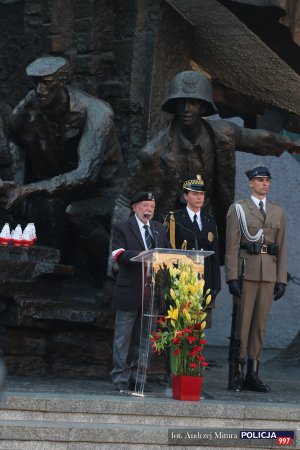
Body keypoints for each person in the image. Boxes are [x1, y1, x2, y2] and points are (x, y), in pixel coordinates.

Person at [112, 70, 298, 263]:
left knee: (208, 284)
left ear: (203, 107)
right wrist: (115, 258)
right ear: (173, 105)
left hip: (208, 225)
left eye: (193, 102)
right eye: (181, 102)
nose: (186, 108)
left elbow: (260, 140)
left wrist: (291, 145)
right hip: (172, 231)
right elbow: (124, 199)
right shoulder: (153, 153)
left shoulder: (223, 135)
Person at [1, 56, 122, 278]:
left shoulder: (97, 112)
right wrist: (17, 185)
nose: (39, 89)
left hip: (103, 192)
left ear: (63, 80)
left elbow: (86, 173)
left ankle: (117, 272)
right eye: (35, 83)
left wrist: (26, 190)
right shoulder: (32, 104)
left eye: (46, 83)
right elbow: (15, 137)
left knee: (75, 213)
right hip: (61, 189)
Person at [225, 164, 287, 392]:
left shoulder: (277, 211)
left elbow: (282, 248)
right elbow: (231, 246)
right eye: (260, 180)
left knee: (259, 326)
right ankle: (238, 371)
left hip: (268, 274)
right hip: (246, 272)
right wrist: (231, 277)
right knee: (242, 324)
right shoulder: (239, 209)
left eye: (267, 180)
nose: (264, 184)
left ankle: (254, 373)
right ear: (251, 183)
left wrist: (281, 279)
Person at [111, 191, 169, 392]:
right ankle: (120, 378)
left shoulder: (159, 229)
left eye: (152, 207)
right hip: (130, 291)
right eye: (145, 205)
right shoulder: (122, 227)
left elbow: (167, 255)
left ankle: (139, 378)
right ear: (135, 207)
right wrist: (140, 254)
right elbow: (117, 254)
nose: (149, 210)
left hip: (152, 294)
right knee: (123, 339)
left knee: (146, 339)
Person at [167, 174, 221, 328]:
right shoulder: (175, 218)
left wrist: (216, 285)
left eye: (202, 194)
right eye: (194, 194)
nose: (199, 197)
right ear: (185, 196)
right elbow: (170, 252)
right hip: (183, 280)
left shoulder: (210, 220)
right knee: (180, 327)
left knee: (199, 329)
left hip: (205, 281)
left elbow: (214, 255)